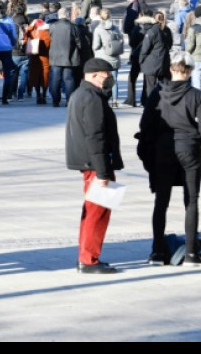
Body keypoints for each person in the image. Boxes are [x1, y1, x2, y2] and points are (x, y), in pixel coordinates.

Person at [137, 50, 201, 267]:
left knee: (161, 202)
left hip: (163, 149)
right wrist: (189, 127)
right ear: (190, 71)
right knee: (191, 200)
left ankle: (157, 252)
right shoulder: (196, 95)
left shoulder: (157, 93)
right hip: (188, 147)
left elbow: (145, 124)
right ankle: (190, 253)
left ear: (171, 69)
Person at [65, 58, 124, 274]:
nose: (109, 79)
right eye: (106, 75)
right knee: (96, 213)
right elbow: (95, 137)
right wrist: (102, 171)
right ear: (94, 75)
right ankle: (88, 259)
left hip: (90, 162)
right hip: (95, 163)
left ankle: (88, 256)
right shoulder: (91, 98)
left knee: (94, 211)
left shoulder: (83, 94)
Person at [48, 8, 84, 108]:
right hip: (69, 56)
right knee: (69, 79)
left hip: (55, 57)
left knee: (55, 79)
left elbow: (48, 40)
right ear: (67, 15)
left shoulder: (52, 26)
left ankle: (55, 100)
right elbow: (79, 43)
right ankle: (69, 100)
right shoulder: (72, 27)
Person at [92, 9, 124, 107]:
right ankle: (115, 101)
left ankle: (103, 99)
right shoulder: (115, 28)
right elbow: (121, 41)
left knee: (102, 79)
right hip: (114, 57)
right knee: (114, 79)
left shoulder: (98, 29)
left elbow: (96, 46)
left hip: (102, 58)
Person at [139, 11, 174, 100]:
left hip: (151, 62)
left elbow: (145, 49)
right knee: (164, 85)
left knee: (150, 86)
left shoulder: (152, 31)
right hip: (164, 62)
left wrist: (141, 60)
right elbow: (170, 45)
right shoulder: (167, 30)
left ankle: (151, 104)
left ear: (154, 19)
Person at [25, 12, 52, 105]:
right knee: (45, 75)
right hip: (45, 56)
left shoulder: (31, 30)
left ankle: (37, 95)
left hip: (34, 56)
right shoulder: (48, 31)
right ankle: (44, 95)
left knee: (35, 75)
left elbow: (25, 40)